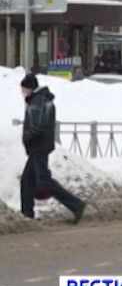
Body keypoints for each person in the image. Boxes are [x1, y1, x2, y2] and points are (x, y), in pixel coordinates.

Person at [19, 74, 86, 223]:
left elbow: (38, 126)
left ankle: (76, 205)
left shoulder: (39, 101)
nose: (22, 92)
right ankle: (27, 214)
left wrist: (28, 137)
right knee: (27, 180)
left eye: (23, 89)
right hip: (40, 145)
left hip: (39, 146)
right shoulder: (40, 99)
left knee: (43, 181)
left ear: (30, 87)